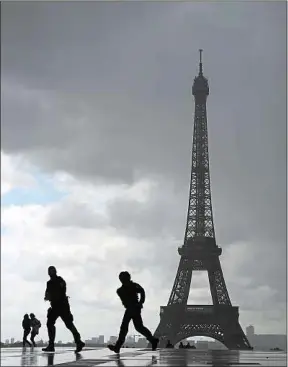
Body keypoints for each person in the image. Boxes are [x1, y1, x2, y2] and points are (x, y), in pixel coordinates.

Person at [108, 271, 159, 354]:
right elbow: (142, 291)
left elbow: (141, 291)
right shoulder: (129, 287)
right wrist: (140, 302)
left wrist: (140, 302)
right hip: (133, 308)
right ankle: (152, 340)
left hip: (132, 308)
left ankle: (117, 347)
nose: (122, 280)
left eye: (123, 278)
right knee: (138, 327)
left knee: (125, 327)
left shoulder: (126, 288)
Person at [42, 266, 85, 353]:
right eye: (50, 271)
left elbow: (63, 289)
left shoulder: (59, 280)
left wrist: (53, 296)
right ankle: (51, 345)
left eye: (52, 271)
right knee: (50, 323)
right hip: (55, 306)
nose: (51, 273)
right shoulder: (49, 283)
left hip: (62, 305)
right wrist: (48, 297)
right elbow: (47, 294)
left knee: (68, 324)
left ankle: (78, 341)